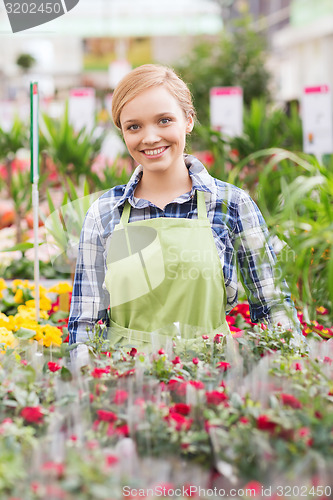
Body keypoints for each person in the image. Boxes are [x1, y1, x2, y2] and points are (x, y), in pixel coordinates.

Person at [68, 64, 302, 352]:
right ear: (122, 133)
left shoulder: (232, 205)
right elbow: (85, 324)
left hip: (213, 378)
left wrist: (292, 372)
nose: (150, 137)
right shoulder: (105, 212)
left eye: (164, 120)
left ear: (188, 120)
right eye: (134, 126)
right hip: (125, 381)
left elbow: (273, 305)